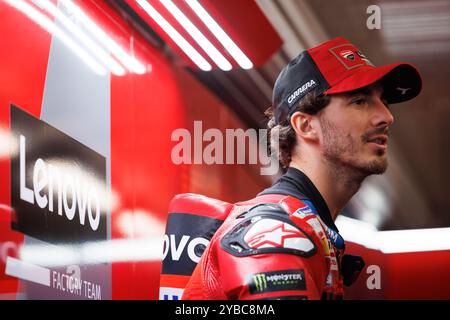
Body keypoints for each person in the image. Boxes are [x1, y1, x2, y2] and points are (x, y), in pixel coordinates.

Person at [181, 37, 422, 300]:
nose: (387, 116)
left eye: (384, 101)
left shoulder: (311, 230)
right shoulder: (276, 235)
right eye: (360, 101)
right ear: (306, 126)